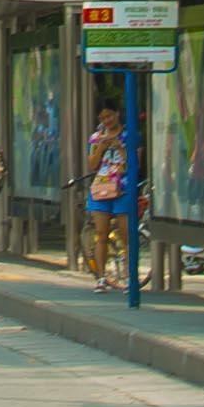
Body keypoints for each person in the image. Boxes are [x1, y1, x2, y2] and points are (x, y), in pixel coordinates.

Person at [81, 98, 130, 283]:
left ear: (117, 114)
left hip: (123, 187)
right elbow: (92, 165)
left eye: (109, 115)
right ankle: (101, 277)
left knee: (126, 235)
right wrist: (101, 147)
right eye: (102, 117)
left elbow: (134, 164)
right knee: (101, 233)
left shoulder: (128, 135)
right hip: (101, 187)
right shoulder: (96, 138)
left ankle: (128, 275)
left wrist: (120, 149)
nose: (106, 120)